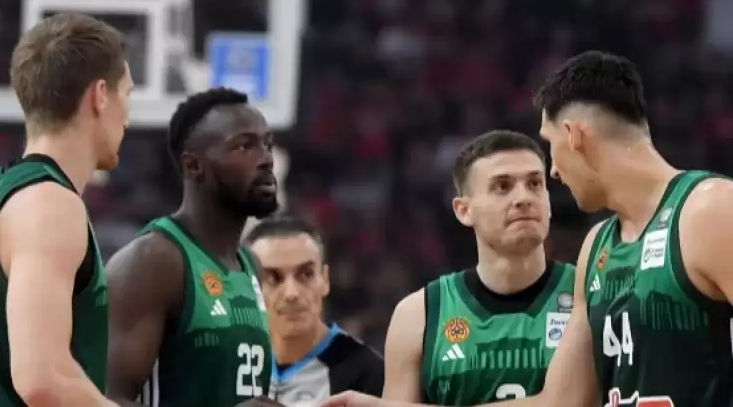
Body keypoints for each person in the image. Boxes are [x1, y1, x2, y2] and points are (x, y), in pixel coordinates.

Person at [321, 50, 733, 407]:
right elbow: (557, 403)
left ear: (573, 136)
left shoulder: (711, 209)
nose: (554, 172)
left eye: (550, 147)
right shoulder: (598, 247)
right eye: (502, 186)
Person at [0, 13, 132, 407]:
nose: (129, 118)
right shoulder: (49, 204)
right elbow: (43, 380)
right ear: (101, 95)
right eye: (127, 94)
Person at [105, 88, 281, 407]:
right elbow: (102, 399)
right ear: (194, 165)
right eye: (244, 146)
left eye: (267, 144)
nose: (266, 159)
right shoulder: (154, 260)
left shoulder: (251, 265)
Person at [382, 131, 575, 406]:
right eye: (502, 187)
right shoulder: (418, 316)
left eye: (534, 184)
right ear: (464, 210)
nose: (523, 198)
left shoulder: (590, 294)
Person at [246, 216, 384, 406]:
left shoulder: (368, 374)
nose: (292, 293)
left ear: (325, 279)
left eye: (306, 274)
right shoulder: (227, 364)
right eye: (273, 278)